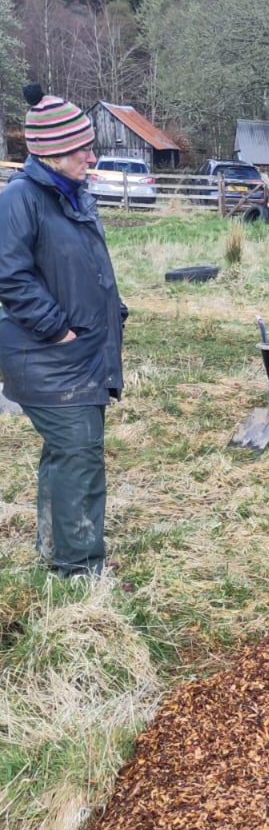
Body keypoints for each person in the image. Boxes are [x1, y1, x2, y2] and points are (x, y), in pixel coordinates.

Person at [0, 84, 127, 577]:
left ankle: (55, 552)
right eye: (83, 149)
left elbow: (74, 266)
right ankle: (78, 572)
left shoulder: (70, 195)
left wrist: (111, 306)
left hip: (80, 355)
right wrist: (57, 331)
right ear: (52, 153)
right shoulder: (22, 200)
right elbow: (10, 275)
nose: (92, 158)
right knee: (79, 458)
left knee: (66, 456)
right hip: (51, 358)